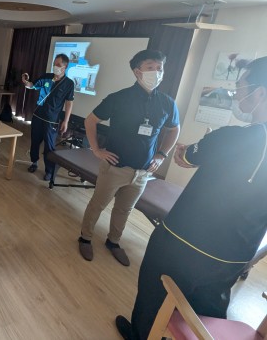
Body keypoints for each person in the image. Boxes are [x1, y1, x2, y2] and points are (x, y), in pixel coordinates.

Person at [115, 56, 267, 340]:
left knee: (154, 291)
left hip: (185, 241)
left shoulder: (232, 137)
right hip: (237, 253)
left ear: (259, 93)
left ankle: (142, 335)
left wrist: (186, 151)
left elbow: (185, 157)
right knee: (209, 306)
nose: (237, 93)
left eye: (241, 86)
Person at [78, 49, 180, 266]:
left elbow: (174, 129)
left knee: (124, 209)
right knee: (98, 205)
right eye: (150, 67)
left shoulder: (167, 103)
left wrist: (161, 155)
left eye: (160, 68)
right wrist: (96, 150)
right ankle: (85, 237)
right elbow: (90, 121)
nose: (156, 73)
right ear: (137, 72)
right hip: (115, 167)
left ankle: (113, 241)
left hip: (143, 171)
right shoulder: (119, 98)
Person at [22, 54, 75, 180]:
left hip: (51, 121)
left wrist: (66, 121)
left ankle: (49, 171)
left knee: (49, 147)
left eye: (58, 65)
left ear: (65, 67)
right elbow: (33, 85)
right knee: (35, 142)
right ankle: (34, 162)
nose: (55, 67)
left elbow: (69, 103)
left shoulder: (69, 83)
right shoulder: (46, 76)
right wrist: (26, 83)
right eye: (54, 64)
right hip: (37, 116)